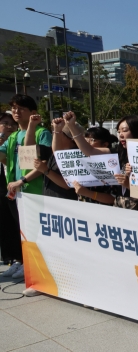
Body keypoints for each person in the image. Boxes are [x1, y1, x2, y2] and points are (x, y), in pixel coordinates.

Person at [0, 95, 52, 288]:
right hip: (16, 192)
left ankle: (34, 268)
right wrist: (1, 134)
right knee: (20, 230)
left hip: (34, 190)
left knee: (34, 231)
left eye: (21, 108)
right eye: (13, 108)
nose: (15, 111)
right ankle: (22, 262)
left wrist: (21, 181)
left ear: (32, 112)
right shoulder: (13, 137)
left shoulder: (41, 133)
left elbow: (41, 164)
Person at [33, 117, 82, 201]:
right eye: (54, 132)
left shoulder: (76, 156)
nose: (54, 135)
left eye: (59, 133)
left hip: (64, 204)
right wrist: (32, 125)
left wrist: (45, 170)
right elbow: (28, 147)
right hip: (50, 202)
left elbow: (67, 184)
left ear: (70, 138)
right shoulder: (54, 152)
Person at [0, 113, 21, 270]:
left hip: (13, 187)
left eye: (12, 124)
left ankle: (18, 258)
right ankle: (9, 257)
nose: (9, 126)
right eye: (5, 123)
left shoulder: (16, 141)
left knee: (15, 223)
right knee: (4, 224)